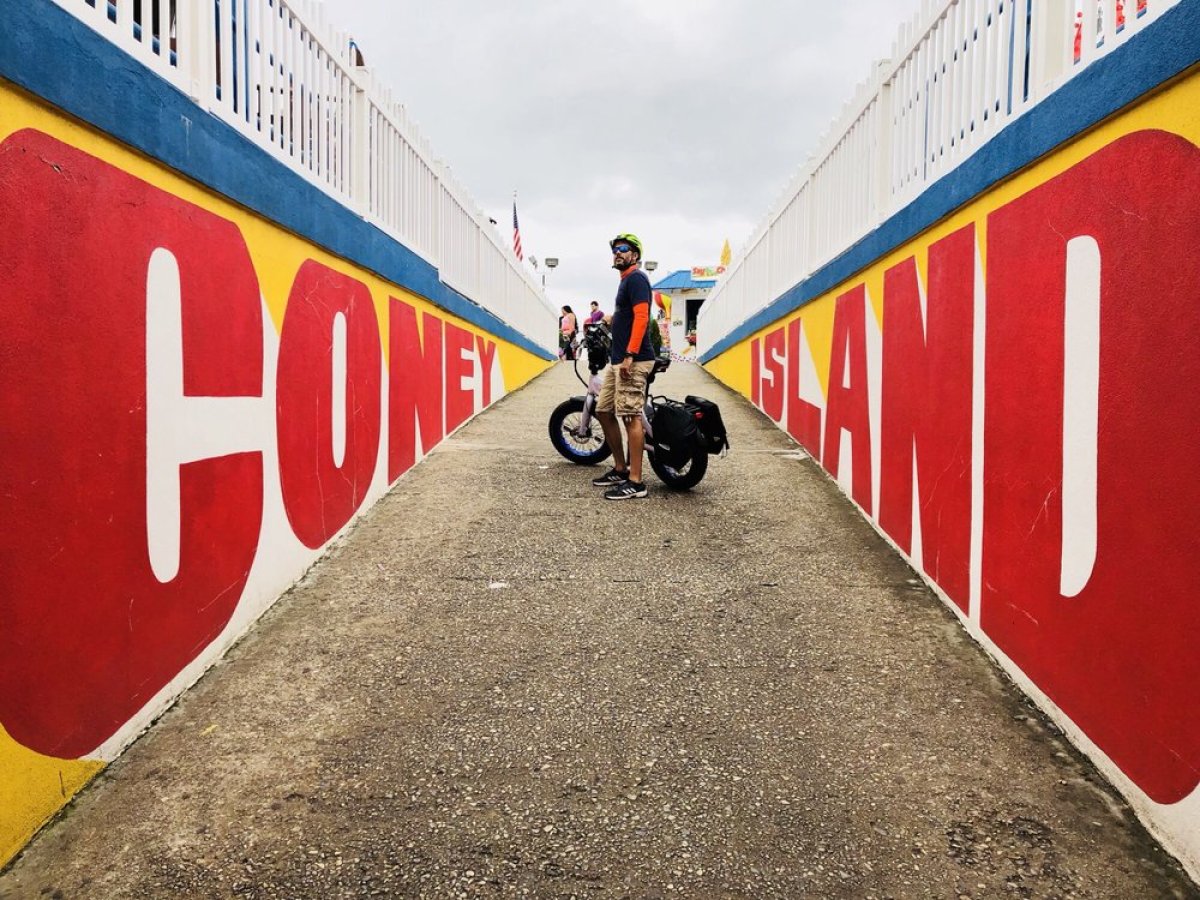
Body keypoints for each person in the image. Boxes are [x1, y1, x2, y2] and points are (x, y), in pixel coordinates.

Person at [591, 233, 656, 500]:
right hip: (618, 361)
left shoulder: (637, 279)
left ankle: (636, 482)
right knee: (604, 410)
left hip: (634, 360)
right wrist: (612, 318)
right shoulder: (625, 282)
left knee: (630, 416)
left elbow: (642, 316)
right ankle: (620, 467)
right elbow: (629, 315)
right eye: (615, 249)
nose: (618, 253)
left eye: (623, 249)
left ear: (635, 255)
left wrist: (630, 354)